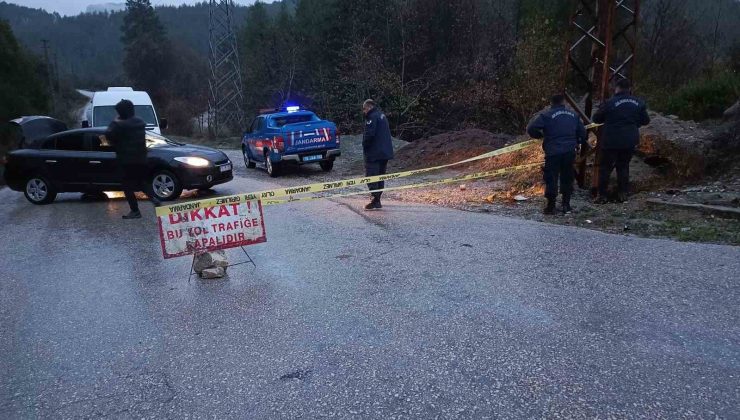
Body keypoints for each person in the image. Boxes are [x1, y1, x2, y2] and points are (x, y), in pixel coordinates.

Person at [527, 94, 588, 215]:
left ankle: (551, 206)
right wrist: (577, 141)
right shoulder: (573, 115)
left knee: (551, 177)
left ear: (551, 103)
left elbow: (531, 129)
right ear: (563, 102)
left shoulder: (546, 115)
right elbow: (583, 132)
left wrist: (540, 136)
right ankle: (566, 205)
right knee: (567, 177)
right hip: (569, 151)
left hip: (553, 151)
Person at [592, 78, 650, 203]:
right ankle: (623, 194)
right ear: (630, 89)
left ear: (616, 88)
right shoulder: (639, 103)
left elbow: (596, 118)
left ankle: (602, 195)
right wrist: (634, 124)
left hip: (611, 140)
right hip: (629, 140)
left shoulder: (609, 102)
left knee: (605, 168)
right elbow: (646, 120)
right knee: (623, 166)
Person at [105, 99, 160, 219]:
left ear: (121, 112)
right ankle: (154, 198)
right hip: (141, 159)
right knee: (142, 182)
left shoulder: (118, 124)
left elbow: (108, 136)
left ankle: (135, 211)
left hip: (126, 161)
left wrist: (115, 121)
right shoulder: (140, 122)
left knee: (127, 186)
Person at [362, 99, 394, 210]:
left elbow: (369, 135)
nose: (364, 112)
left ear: (369, 107)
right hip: (384, 152)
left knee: (371, 176)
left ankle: (375, 200)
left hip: (374, 153)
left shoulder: (371, 117)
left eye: (365, 109)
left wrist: (364, 145)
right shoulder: (381, 115)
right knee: (380, 177)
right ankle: (377, 199)